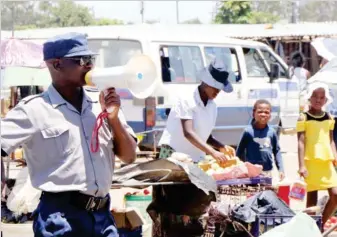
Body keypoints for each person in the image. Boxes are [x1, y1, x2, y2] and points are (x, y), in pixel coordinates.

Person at [0, 32, 137, 237]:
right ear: (57, 65)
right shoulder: (34, 109)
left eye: (91, 59)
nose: (90, 66)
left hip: (101, 216)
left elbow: (129, 156)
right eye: (82, 60)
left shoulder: (101, 103)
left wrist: (114, 118)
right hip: (60, 218)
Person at [158, 59, 235, 163]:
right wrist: (213, 152)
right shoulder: (186, 98)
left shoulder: (212, 106)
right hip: (173, 153)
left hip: (195, 158)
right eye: (215, 86)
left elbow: (204, 136)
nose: (218, 91)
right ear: (205, 82)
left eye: (220, 88)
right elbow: (188, 133)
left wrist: (221, 146)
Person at [297, 82, 337, 225]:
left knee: (335, 194)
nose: (318, 100)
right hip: (310, 161)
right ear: (309, 97)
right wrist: (302, 166)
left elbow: (331, 140)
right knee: (311, 199)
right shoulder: (303, 117)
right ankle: (310, 229)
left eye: (321, 97)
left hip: (326, 161)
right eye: (315, 96)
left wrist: (335, 156)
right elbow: (301, 142)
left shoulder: (329, 118)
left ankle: (319, 225)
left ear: (326, 100)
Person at [236, 99, 285, 180]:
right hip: (251, 173)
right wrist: (241, 169)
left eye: (266, 112)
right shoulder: (248, 131)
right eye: (260, 112)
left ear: (270, 115)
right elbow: (239, 152)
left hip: (267, 172)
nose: (263, 114)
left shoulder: (272, 132)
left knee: (267, 192)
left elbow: (277, 151)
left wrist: (281, 169)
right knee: (253, 193)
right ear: (253, 113)